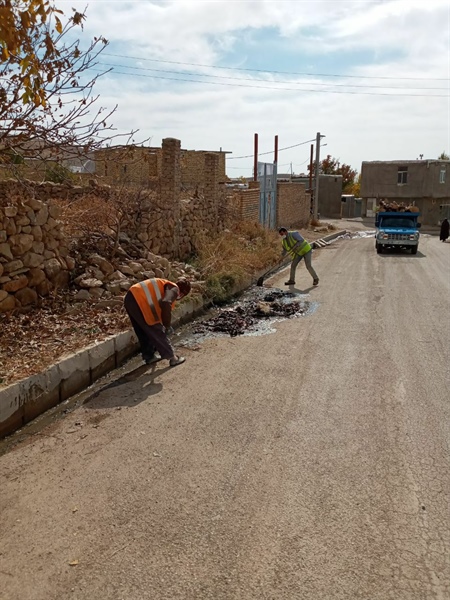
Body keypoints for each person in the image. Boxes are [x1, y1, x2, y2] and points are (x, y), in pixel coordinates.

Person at [124, 277, 191, 367]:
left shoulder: (165, 285)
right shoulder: (174, 289)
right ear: (182, 293)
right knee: (156, 329)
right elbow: (166, 302)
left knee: (142, 330)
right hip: (140, 300)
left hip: (130, 297)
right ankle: (172, 358)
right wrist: (167, 325)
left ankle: (149, 356)